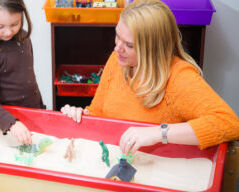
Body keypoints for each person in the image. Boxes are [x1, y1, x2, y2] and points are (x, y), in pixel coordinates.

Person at [61, 0, 239, 155]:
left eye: (129, 45)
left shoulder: (179, 77)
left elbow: (229, 123)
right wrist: (82, 115)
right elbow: (99, 111)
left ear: (153, 49)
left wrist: (157, 133)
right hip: (119, 155)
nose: (117, 48)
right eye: (117, 36)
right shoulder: (117, 61)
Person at [0, 0, 45, 145]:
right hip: (9, 125)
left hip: (34, 113)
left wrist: (42, 110)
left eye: (15, 24)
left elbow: (29, 79)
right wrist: (12, 124)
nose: (9, 32)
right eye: (0, 26)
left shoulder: (23, 38)